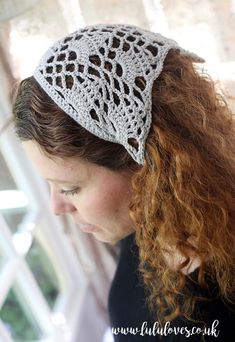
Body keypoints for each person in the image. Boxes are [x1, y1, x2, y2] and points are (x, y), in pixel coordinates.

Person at [12, 24, 235, 341]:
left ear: (150, 166)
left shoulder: (213, 313)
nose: (56, 206)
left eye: (70, 188)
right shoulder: (146, 226)